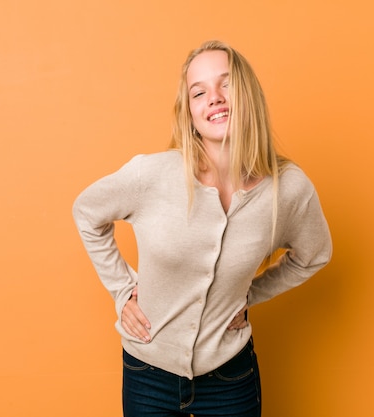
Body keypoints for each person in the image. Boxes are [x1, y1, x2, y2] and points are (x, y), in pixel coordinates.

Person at [73, 40, 332, 417]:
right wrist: (123, 291)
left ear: (248, 95)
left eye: (226, 84)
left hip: (230, 377)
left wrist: (249, 295)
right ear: (190, 112)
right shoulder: (154, 175)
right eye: (199, 92)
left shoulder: (287, 189)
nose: (214, 97)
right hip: (147, 373)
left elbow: (314, 255)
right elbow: (87, 212)